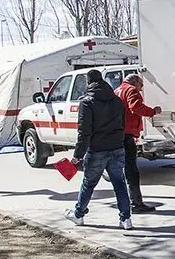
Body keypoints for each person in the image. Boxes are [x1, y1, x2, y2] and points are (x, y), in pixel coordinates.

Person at [65, 70, 133, 230]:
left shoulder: (87, 102)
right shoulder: (116, 101)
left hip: (97, 149)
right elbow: (123, 124)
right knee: (120, 183)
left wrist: (77, 155)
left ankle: (79, 214)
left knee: (88, 183)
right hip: (116, 147)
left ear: (88, 82)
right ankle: (126, 219)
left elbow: (84, 131)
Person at [114, 74, 162, 214]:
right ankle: (136, 203)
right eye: (141, 85)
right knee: (132, 171)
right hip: (127, 134)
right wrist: (153, 111)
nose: (141, 89)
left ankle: (127, 202)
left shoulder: (117, 90)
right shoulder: (131, 90)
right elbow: (135, 107)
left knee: (122, 170)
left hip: (119, 133)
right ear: (135, 82)